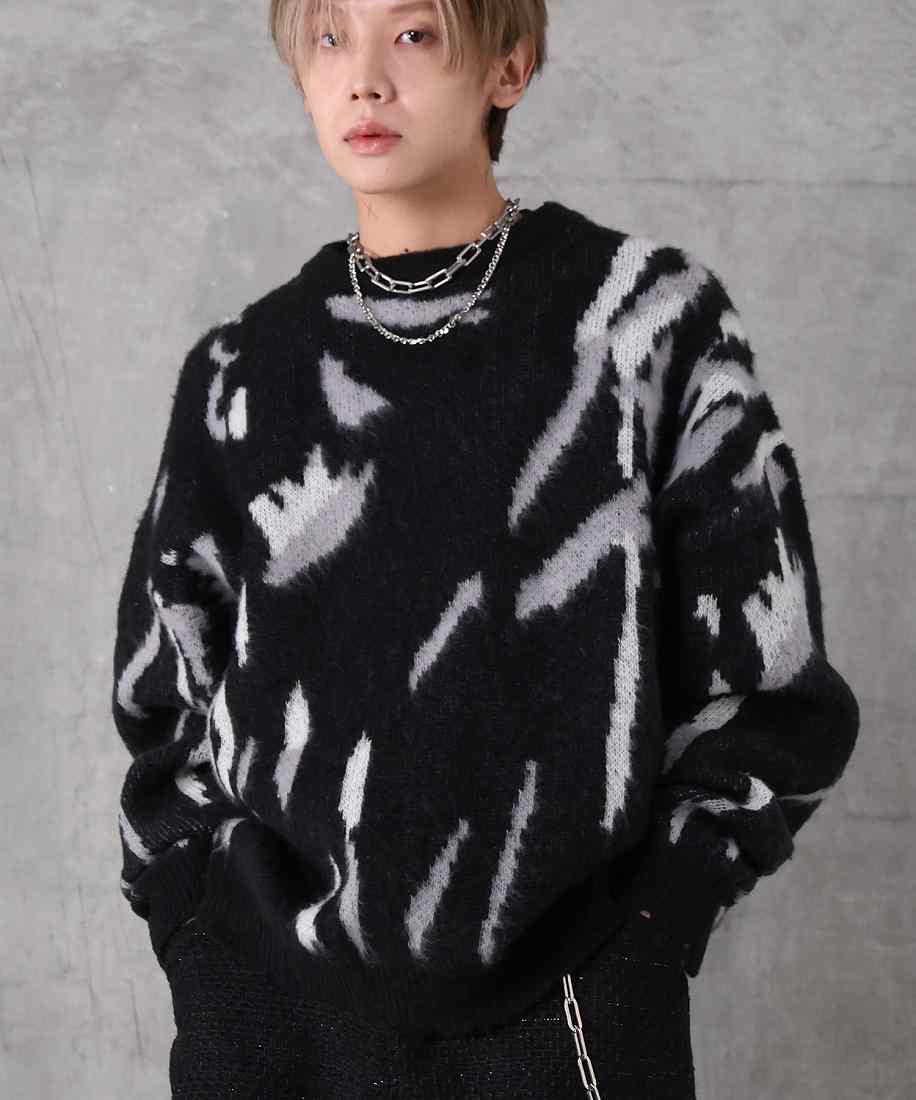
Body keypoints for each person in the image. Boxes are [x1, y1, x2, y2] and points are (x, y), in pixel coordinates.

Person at [110, 1, 861, 1096]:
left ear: (508, 66)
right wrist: (200, 933)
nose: (365, 77)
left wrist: (653, 930)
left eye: (414, 33)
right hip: (273, 1017)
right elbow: (164, 691)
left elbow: (770, 682)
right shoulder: (241, 371)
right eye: (331, 37)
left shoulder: (646, 327)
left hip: (571, 1010)